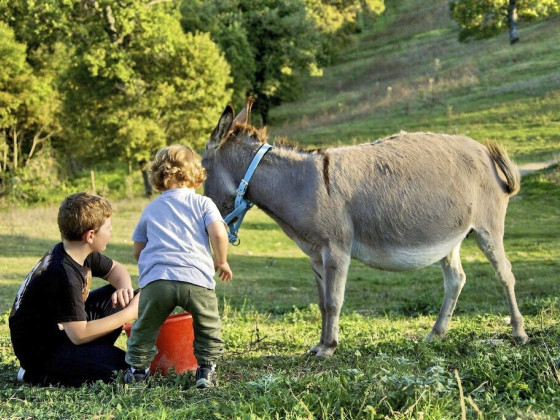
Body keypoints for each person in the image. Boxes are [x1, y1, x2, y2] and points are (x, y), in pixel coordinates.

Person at [124, 144, 232, 388]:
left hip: (158, 280)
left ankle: (138, 371)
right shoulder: (204, 204)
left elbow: (138, 247)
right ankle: (206, 370)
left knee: (146, 326)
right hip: (196, 280)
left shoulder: (151, 209)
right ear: (195, 176)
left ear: (159, 178)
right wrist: (221, 260)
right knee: (207, 324)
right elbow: (219, 233)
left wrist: (148, 268)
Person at [9, 192, 140, 386]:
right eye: (108, 226)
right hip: (42, 351)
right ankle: (34, 374)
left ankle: (91, 355)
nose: (112, 229)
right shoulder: (63, 274)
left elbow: (115, 269)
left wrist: (124, 288)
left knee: (125, 297)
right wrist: (129, 313)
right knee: (119, 369)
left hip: (63, 330)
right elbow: (79, 335)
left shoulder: (76, 250)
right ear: (90, 235)